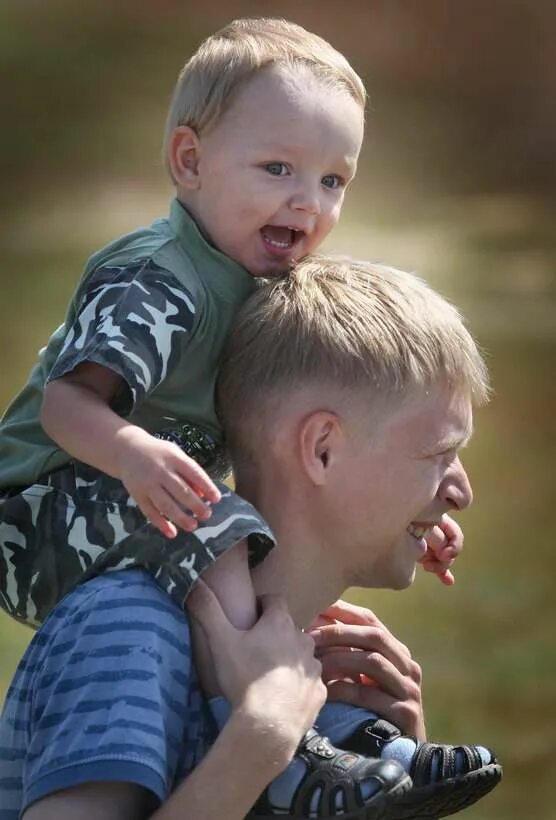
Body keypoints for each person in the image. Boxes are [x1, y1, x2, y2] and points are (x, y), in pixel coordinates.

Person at [0, 16, 470, 818]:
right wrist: (260, 736)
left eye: (333, 181)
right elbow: (65, 403)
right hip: (43, 505)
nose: (307, 202)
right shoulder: (160, 282)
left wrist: (413, 507)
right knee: (222, 525)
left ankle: (362, 752)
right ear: (190, 161)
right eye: (278, 167)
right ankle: (296, 755)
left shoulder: (252, 278)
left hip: (122, 500)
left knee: (252, 574)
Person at [0, 257, 502, 819]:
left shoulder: (317, 669)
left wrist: (393, 777)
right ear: (322, 449)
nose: (462, 492)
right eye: (439, 454)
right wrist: (263, 738)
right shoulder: (130, 623)